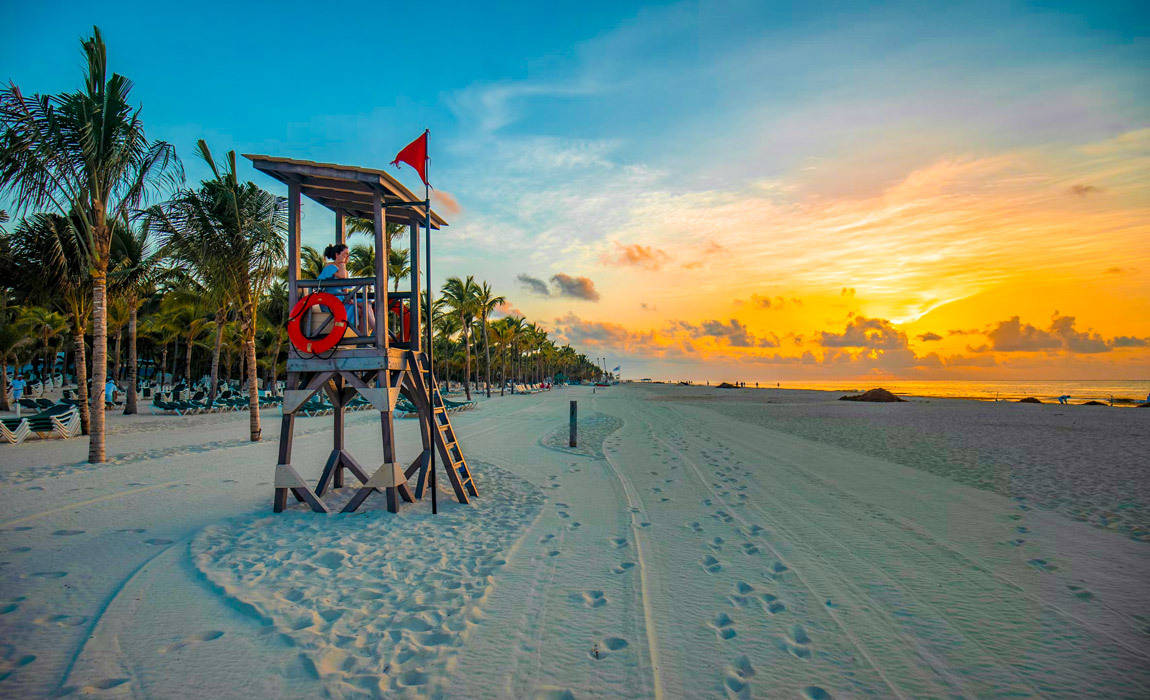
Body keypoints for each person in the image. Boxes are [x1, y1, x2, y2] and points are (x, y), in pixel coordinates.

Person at [318, 244, 374, 334]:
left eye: (348, 255)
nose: (347, 257)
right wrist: (342, 263)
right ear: (337, 255)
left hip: (342, 299)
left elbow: (345, 290)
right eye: (345, 254)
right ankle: (377, 330)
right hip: (331, 302)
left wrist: (350, 299)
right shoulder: (330, 266)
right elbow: (342, 276)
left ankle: (363, 338)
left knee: (365, 306)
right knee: (365, 305)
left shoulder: (343, 269)